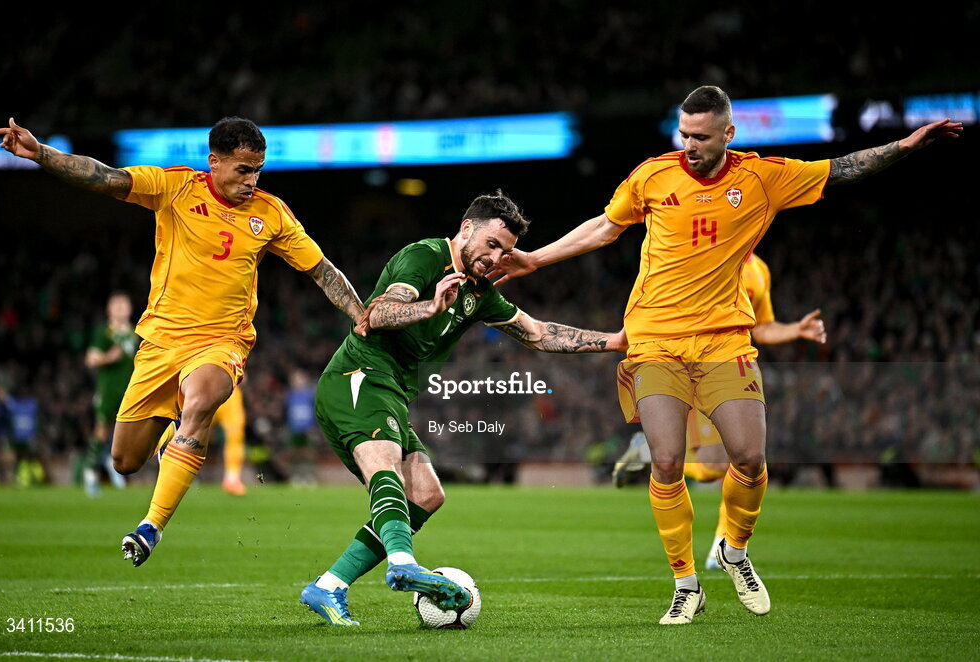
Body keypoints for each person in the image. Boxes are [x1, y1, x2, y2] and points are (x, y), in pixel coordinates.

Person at [489, 86, 961, 624]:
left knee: (750, 459)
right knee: (666, 461)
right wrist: (535, 260)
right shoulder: (652, 175)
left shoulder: (762, 178)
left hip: (724, 341)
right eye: (683, 134)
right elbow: (605, 226)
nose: (688, 145)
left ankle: (734, 550)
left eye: (700, 137)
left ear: (728, 135)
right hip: (655, 340)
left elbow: (841, 168)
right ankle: (686, 583)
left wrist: (905, 145)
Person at [0, 116, 365, 566]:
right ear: (215, 162)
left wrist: (360, 314)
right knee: (125, 462)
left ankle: (151, 526)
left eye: (258, 170)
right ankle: (178, 434)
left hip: (223, 341)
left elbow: (322, 270)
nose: (252, 181)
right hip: (160, 343)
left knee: (203, 400)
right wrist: (42, 154)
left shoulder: (272, 214)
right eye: (243, 170)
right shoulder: (176, 188)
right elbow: (105, 178)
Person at [301, 190, 627, 626]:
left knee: (427, 494)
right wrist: (431, 305)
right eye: (492, 245)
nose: (496, 258)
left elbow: (538, 334)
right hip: (357, 379)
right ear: (467, 229)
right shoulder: (424, 257)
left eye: (506, 252)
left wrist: (616, 342)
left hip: (392, 392)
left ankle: (328, 587)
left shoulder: (479, 292)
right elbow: (375, 316)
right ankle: (402, 562)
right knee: (386, 468)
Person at [612, 252, 827, 571]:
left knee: (733, 463)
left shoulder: (759, 270)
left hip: (729, 369)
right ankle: (650, 453)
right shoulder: (702, 253)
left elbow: (762, 327)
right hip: (691, 366)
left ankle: (721, 547)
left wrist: (795, 330)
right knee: (716, 463)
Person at [84, 292, 138, 497]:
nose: (121, 309)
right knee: (101, 430)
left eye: (124, 305)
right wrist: (108, 357)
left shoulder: (134, 333)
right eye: (117, 305)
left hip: (129, 391)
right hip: (107, 391)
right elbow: (90, 359)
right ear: (109, 310)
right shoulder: (104, 333)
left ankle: (111, 460)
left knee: (129, 432)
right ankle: (91, 473)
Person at [212, 385, 248, 495]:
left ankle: (232, 479)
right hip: (203, 386)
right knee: (186, 430)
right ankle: (173, 473)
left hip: (230, 389)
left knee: (235, 436)